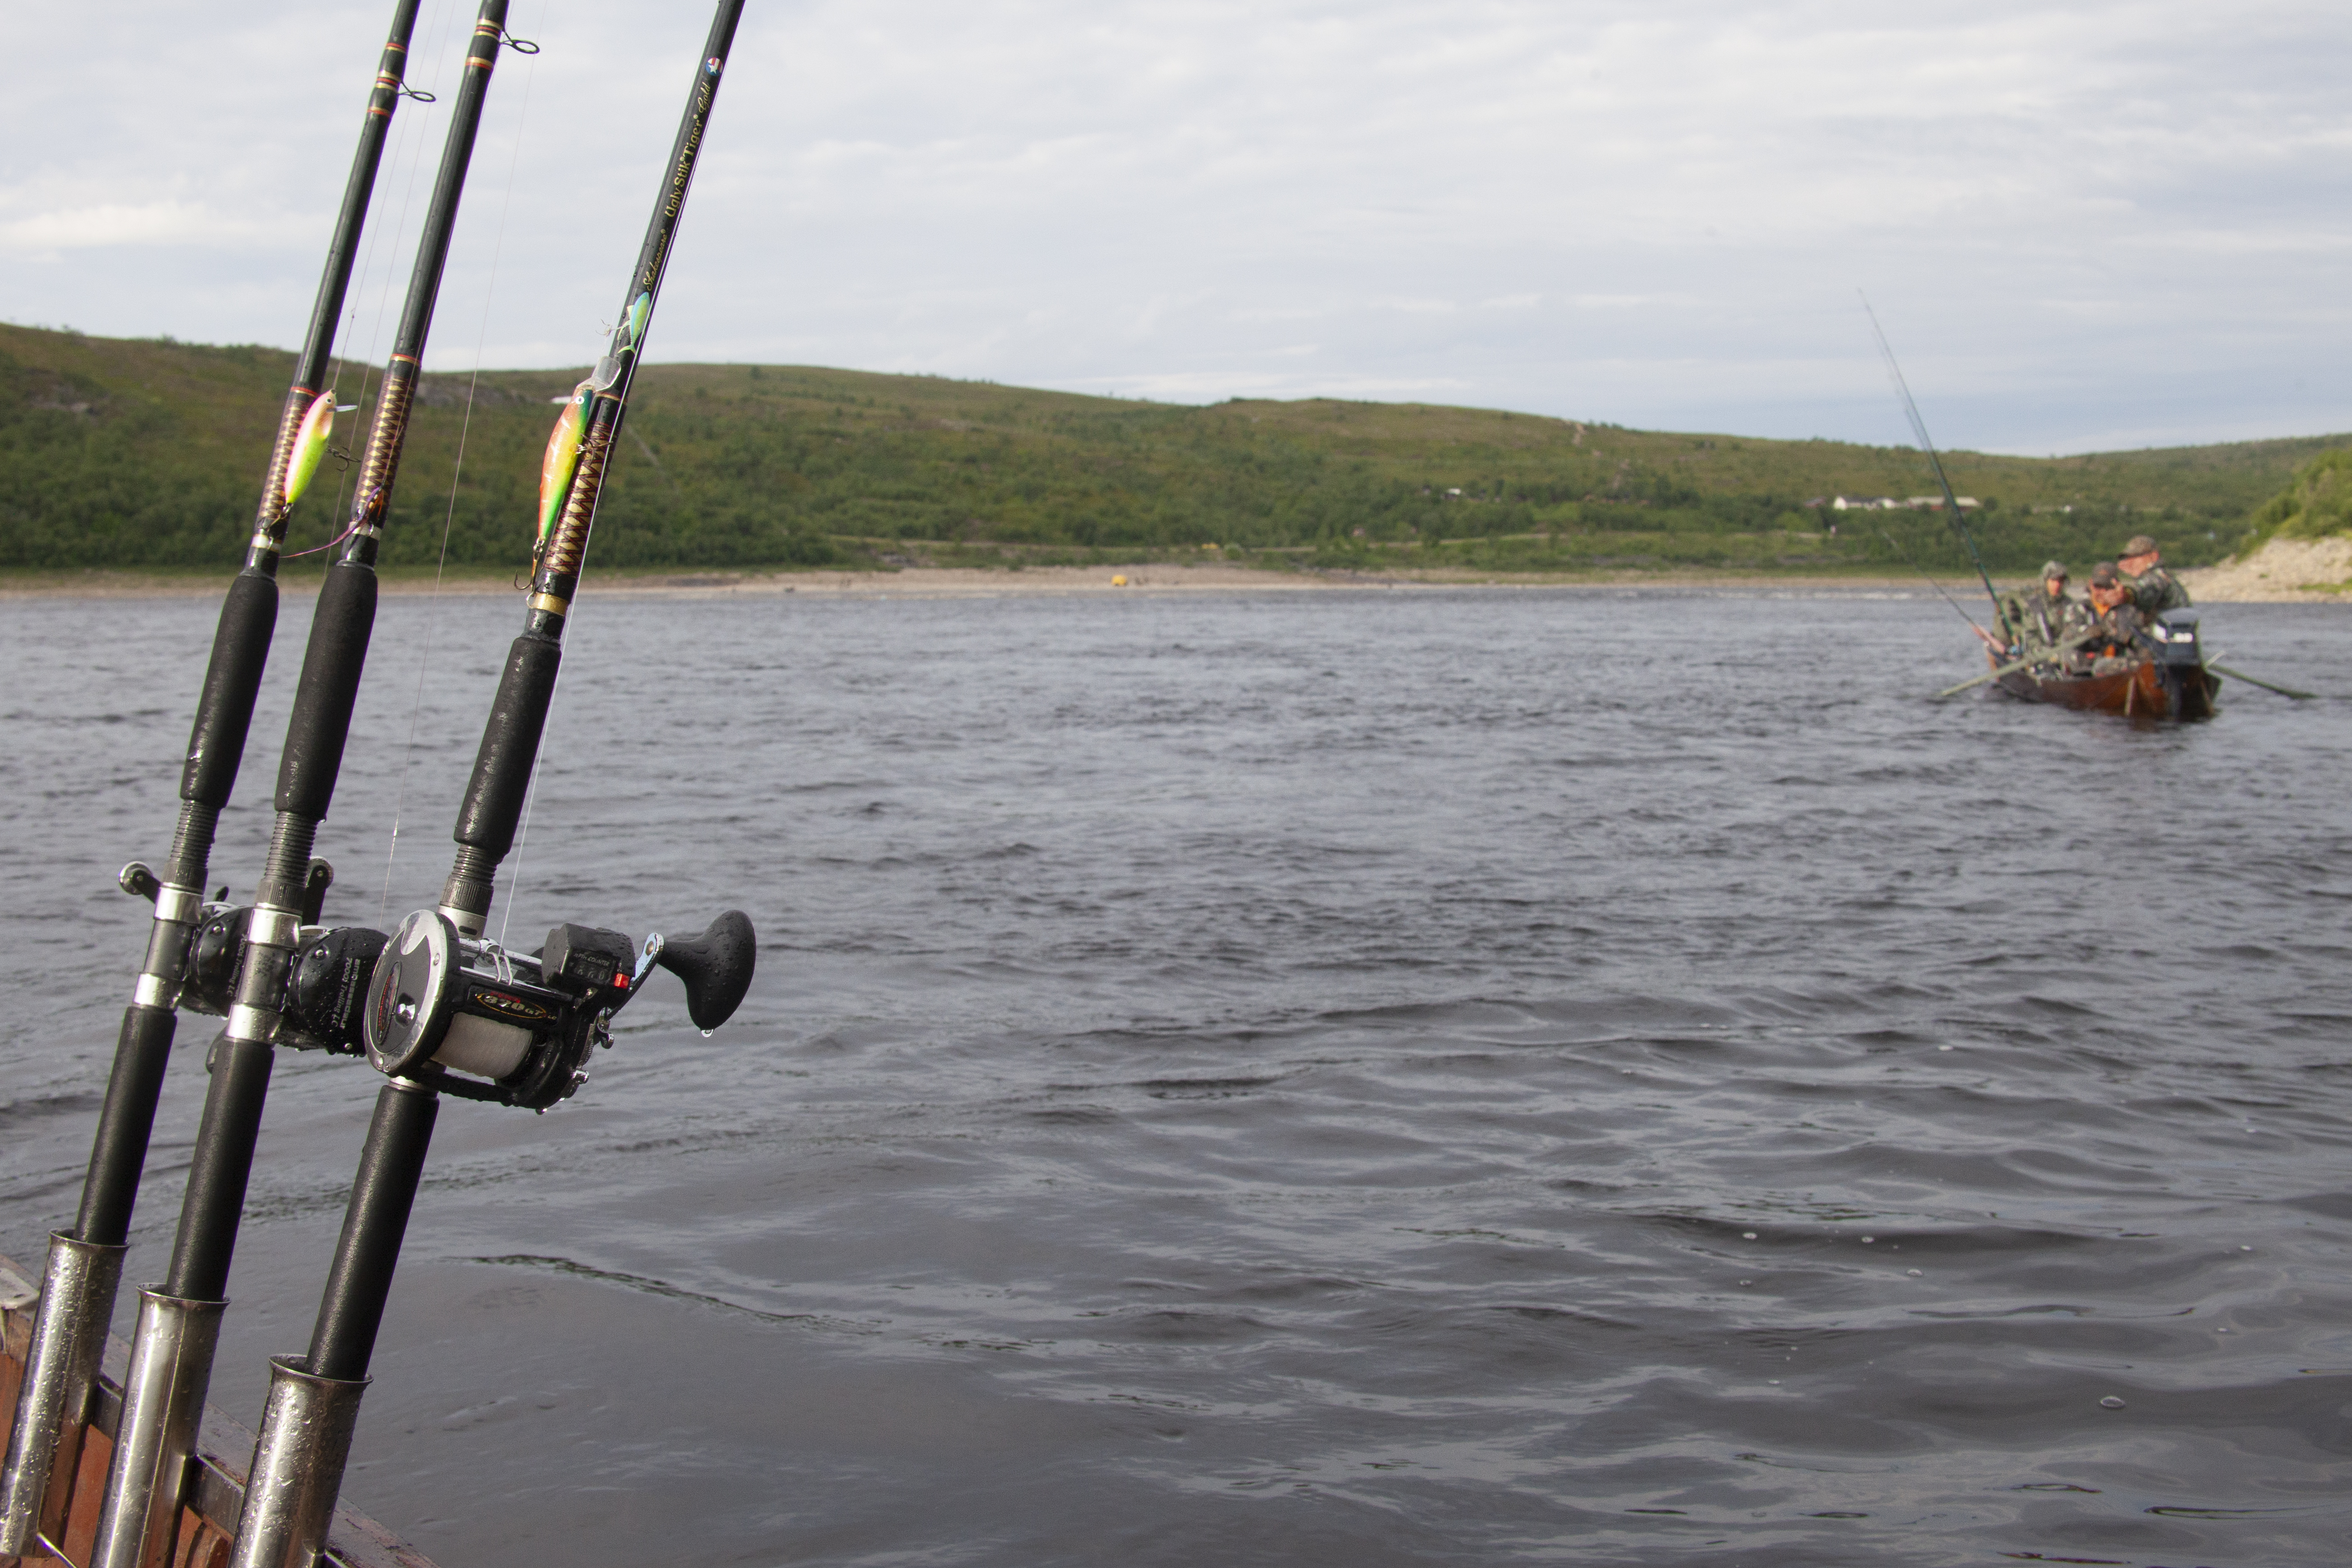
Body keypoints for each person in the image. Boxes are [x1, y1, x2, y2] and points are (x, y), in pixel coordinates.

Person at [1996, 561, 2082, 662]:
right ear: (2045, 581)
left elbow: (2074, 631)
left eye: (2061, 581)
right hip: (2040, 656)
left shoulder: (2070, 604)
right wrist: (2049, 653)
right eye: (2053, 580)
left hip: (2065, 654)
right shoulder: (2033, 605)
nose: (2057, 585)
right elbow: (2031, 636)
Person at [2076, 562, 2145, 675]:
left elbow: (2136, 641)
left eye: (2107, 587)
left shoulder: (2128, 611)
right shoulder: (2079, 608)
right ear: (2090, 584)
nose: (2103, 592)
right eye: (2098, 587)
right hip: (2087, 669)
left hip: (2119, 669)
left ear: (2116, 586)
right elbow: (2069, 634)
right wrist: (2087, 631)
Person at [2119, 533, 2191, 617]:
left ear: (2154, 556)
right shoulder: (2163, 575)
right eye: (2128, 558)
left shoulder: (2157, 577)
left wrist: (2126, 595)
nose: (2130, 562)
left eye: (2136, 556)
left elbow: (2146, 590)